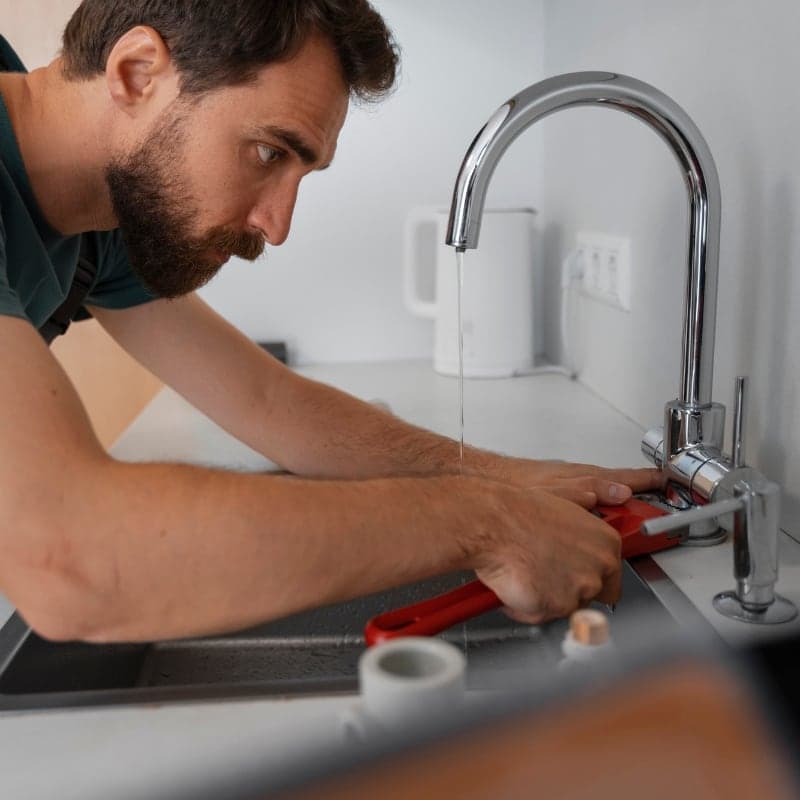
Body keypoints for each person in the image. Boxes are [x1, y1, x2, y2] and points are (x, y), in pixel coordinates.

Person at [0, 0, 662, 644]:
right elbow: (69, 557)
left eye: (301, 171)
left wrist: (494, 475)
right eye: (267, 154)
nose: (277, 227)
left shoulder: (101, 219)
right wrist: (486, 522)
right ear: (137, 72)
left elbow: (271, 403)